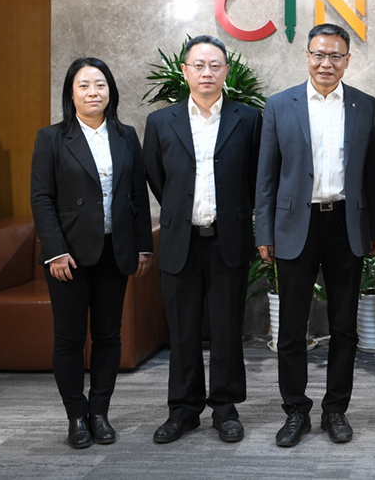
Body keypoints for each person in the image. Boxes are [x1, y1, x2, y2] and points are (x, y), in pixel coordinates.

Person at [255, 23, 375, 447]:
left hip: (346, 224)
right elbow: (266, 176)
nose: (327, 63)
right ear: (307, 56)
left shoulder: (365, 105)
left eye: (336, 55)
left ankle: (335, 410)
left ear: (348, 60)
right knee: (291, 328)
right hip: (296, 225)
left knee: (345, 327)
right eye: (319, 54)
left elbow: (373, 174)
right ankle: (295, 410)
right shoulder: (280, 105)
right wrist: (264, 230)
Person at [143, 35, 262, 444]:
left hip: (228, 239)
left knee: (227, 330)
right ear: (185, 71)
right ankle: (183, 410)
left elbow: (256, 177)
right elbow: (157, 176)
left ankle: (225, 410)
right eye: (199, 65)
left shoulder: (249, 119)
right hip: (181, 239)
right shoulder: (161, 122)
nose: (206, 72)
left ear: (226, 70)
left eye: (215, 65)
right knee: (182, 331)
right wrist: (181, 210)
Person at [31, 57, 154, 448]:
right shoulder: (51, 138)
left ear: (110, 91)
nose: (93, 92)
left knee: (107, 337)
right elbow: (41, 199)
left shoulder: (125, 135)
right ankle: (76, 416)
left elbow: (137, 195)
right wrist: (54, 251)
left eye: (100, 84)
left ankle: (99, 412)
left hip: (115, 251)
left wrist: (143, 245)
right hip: (69, 255)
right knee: (69, 339)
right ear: (71, 93)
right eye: (83, 85)